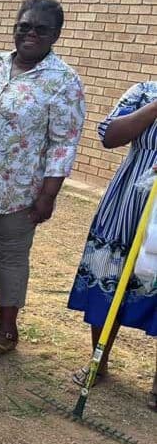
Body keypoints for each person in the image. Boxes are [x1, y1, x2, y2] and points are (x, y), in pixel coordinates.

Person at [0, 0, 85, 357]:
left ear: (55, 34)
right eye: (23, 26)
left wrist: (49, 194)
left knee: (11, 255)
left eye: (40, 29)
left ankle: (7, 328)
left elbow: (64, 142)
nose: (30, 34)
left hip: (22, 188)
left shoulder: (63, 81)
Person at [68, 81, 157, 411]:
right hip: (127, 200)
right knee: (110, 272)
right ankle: (98, 360)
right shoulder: (144, 91)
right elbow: (110, 135)